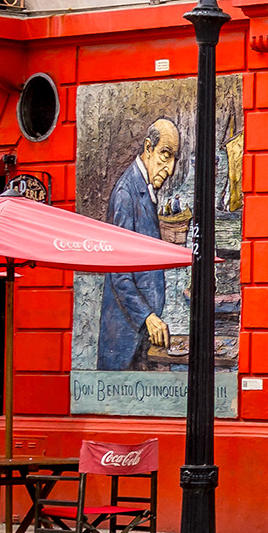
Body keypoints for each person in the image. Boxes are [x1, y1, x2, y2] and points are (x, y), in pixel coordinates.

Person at [97, 120, 180, 370]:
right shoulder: (126, 193)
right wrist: (148, 317)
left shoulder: (141, 189)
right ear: (148, 148)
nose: (170, 168)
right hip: (125, 341)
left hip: (140, 334)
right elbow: (119, 274)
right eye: (166, 154)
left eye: (174, 158)